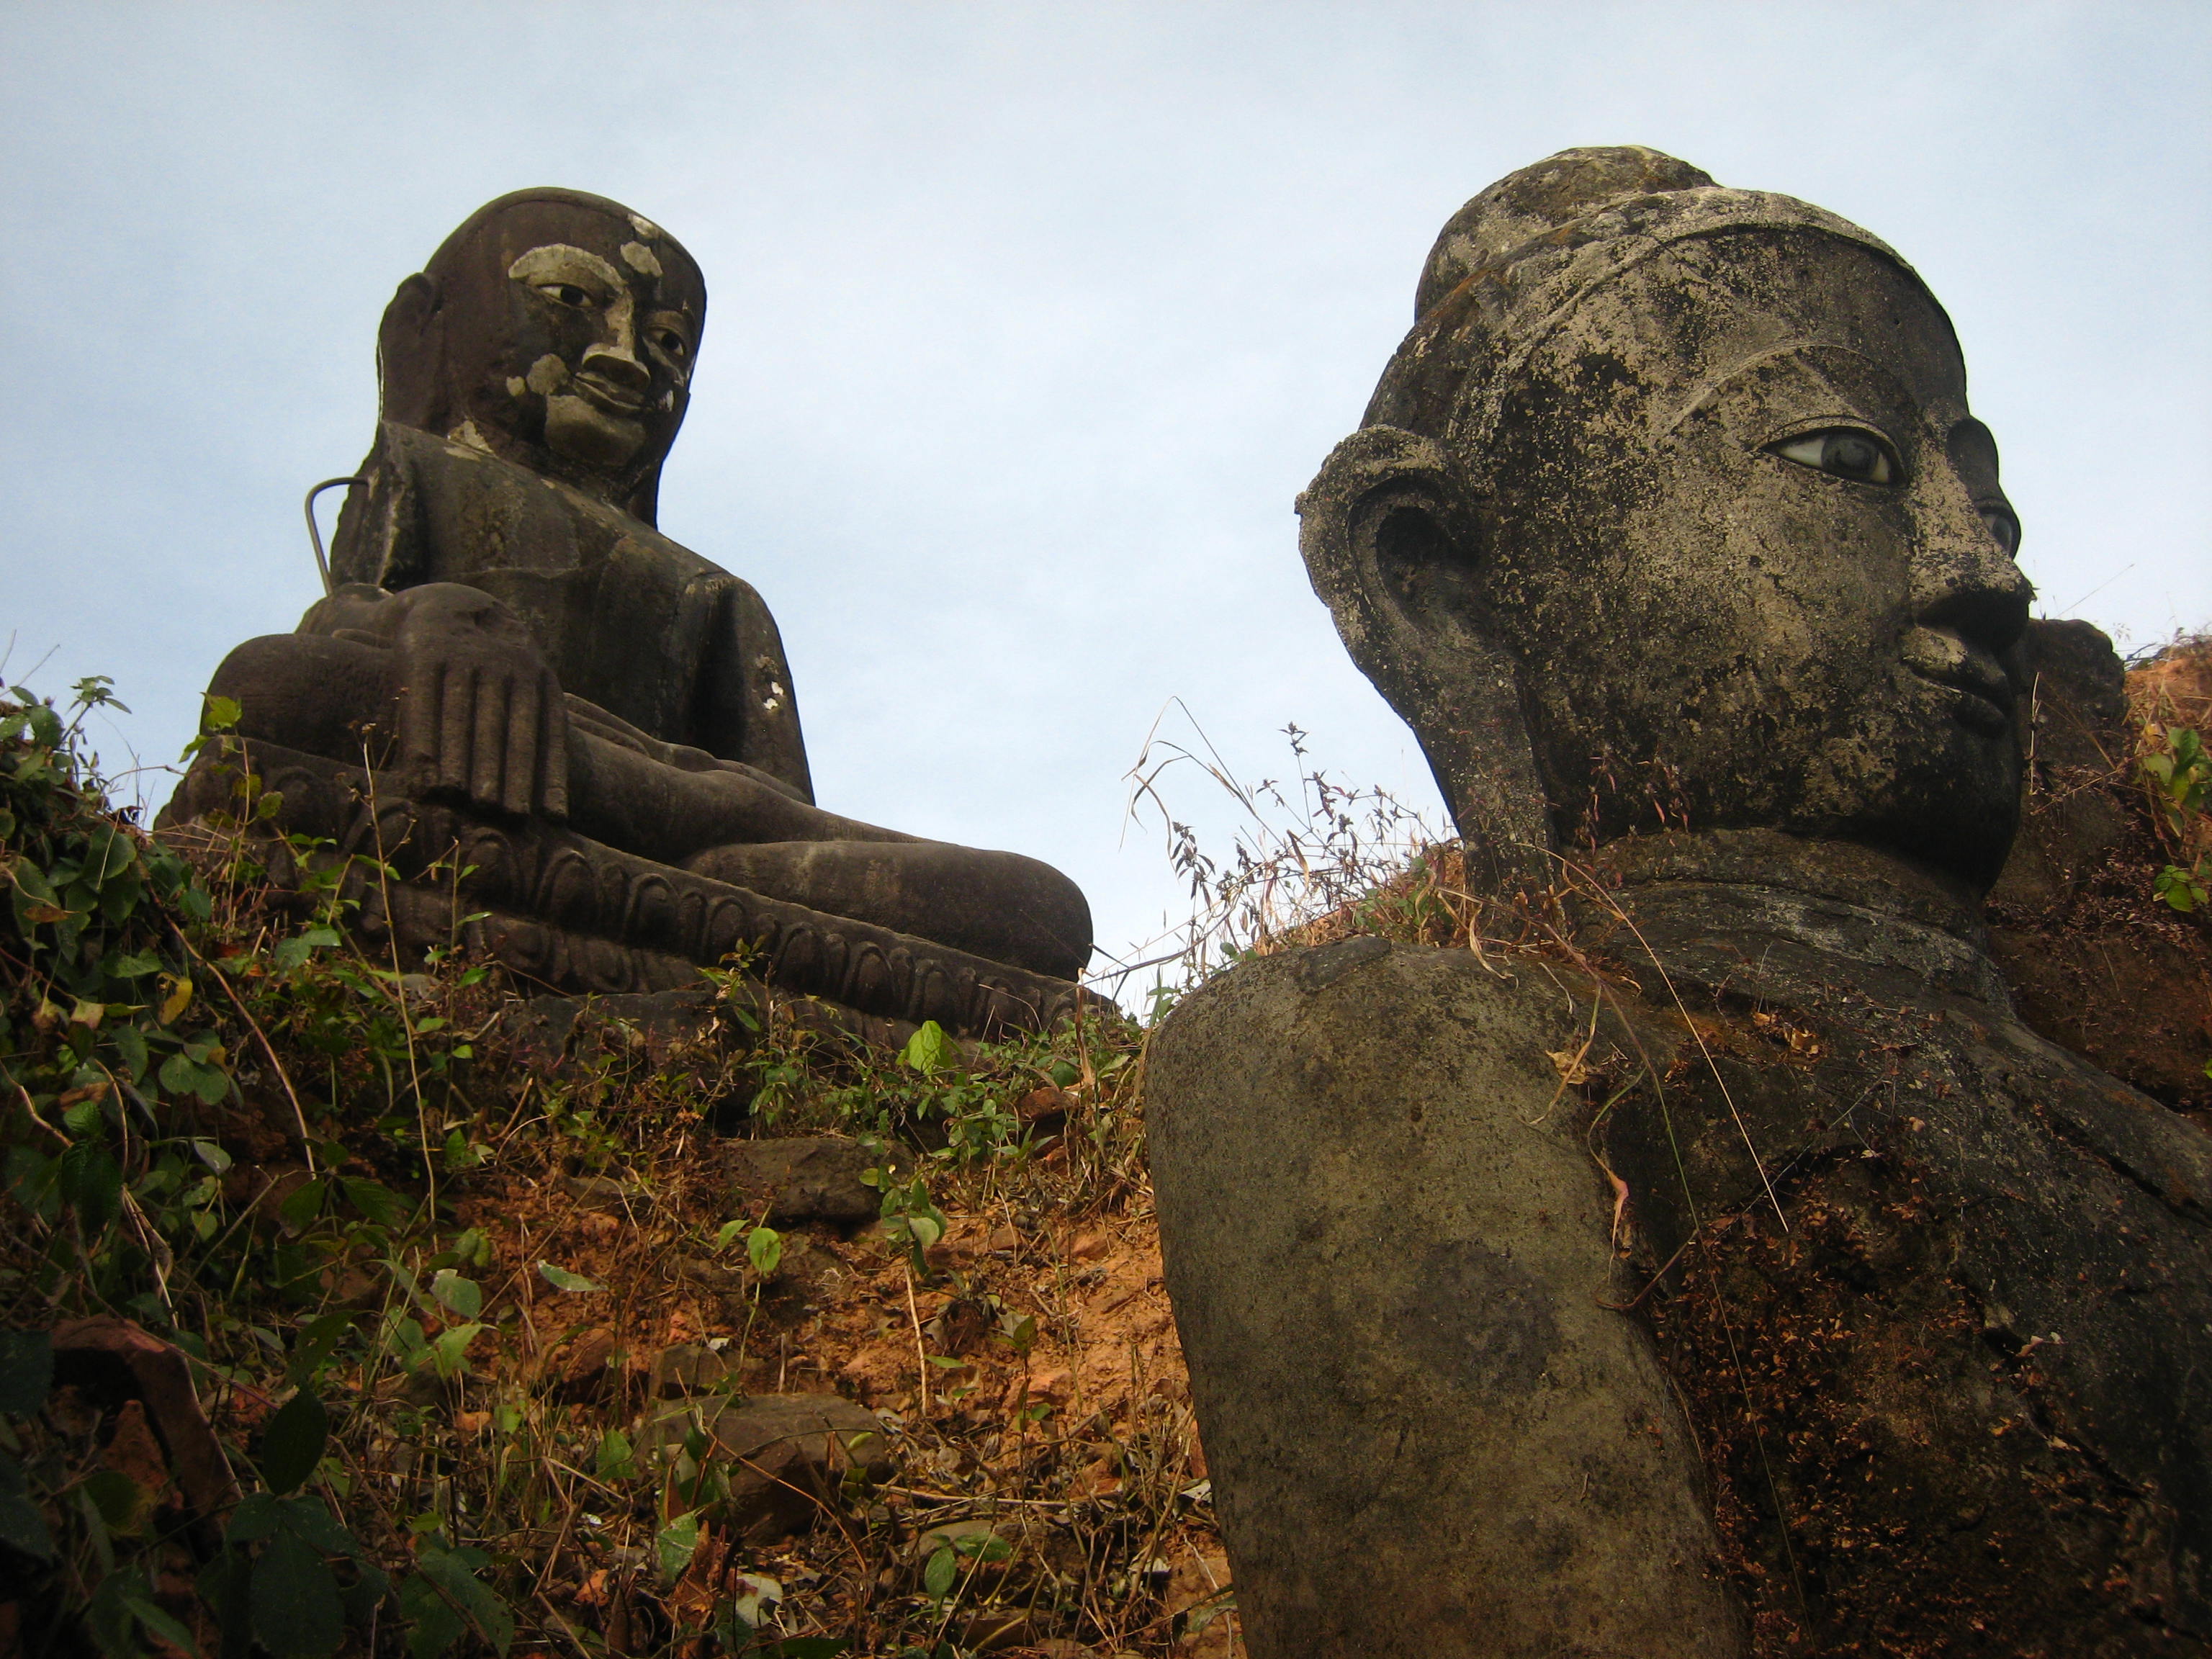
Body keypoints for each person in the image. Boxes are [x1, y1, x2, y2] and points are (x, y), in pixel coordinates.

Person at [1151, 148, 2212, 1656]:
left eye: (1991, 496)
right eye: (1844, 462)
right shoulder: (1404, 1061)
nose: (1987, 572)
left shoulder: (2149, 1143)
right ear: (1442, 585)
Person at [164, 189, 1091, 1034]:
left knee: (1039, 906)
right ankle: (681, 880)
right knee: (270, 686)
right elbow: (345, 621)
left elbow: (778, 816)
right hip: (503, 764)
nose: (623, 357)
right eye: (571, 300)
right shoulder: (422, 473)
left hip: (697, 827)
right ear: (428, 331)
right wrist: (438, 617)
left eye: (667, 344)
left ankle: (684, 880)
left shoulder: (717, 594)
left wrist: (679, 805)